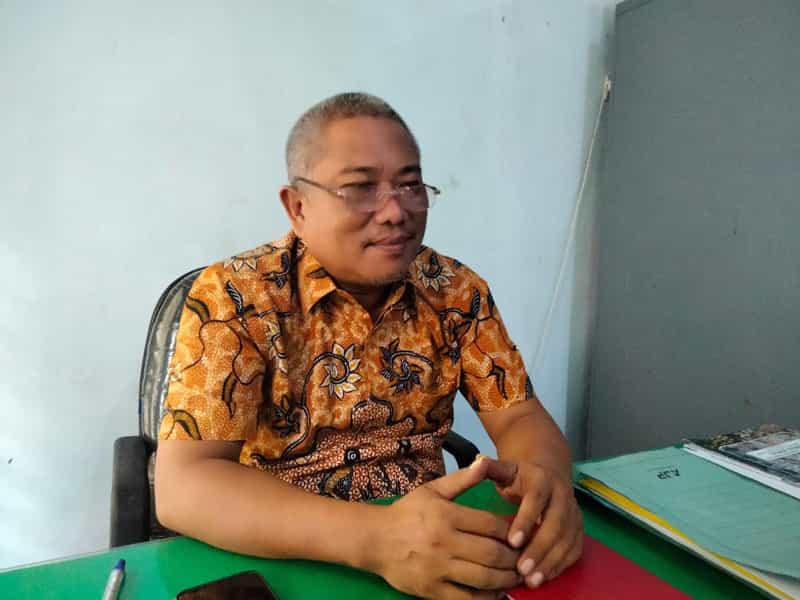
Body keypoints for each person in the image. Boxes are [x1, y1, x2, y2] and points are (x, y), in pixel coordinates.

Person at [155, 92, 582, 600]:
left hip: (432, 545)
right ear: (297, 207)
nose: (395, 212)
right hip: (287, 551)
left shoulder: (455, 290)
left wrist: (547, 486)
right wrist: (377, 540)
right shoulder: (236, 296)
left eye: (410, 185)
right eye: (360, 188)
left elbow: (518, 416)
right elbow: (184, 485)